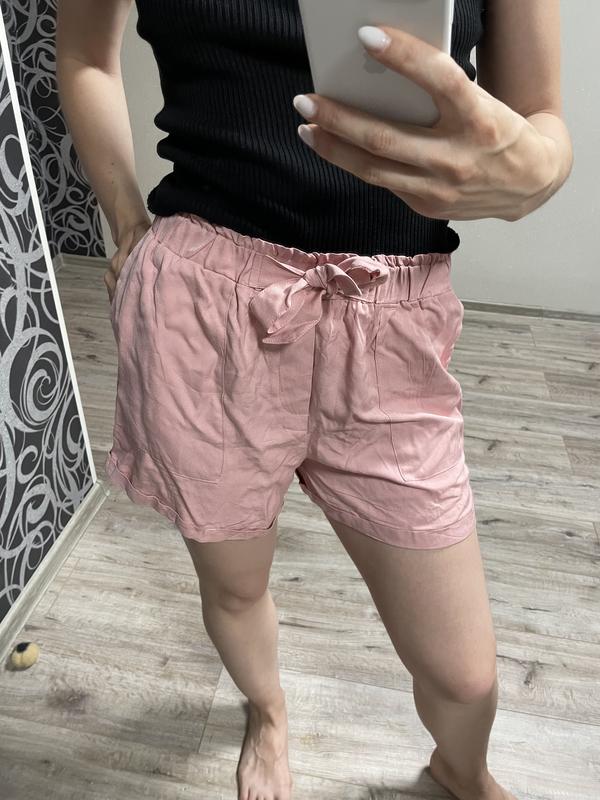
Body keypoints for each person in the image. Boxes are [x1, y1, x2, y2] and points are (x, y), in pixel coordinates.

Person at [56, 2, 573, 799]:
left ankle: (462, 769)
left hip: (392, 319)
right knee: (235, 584)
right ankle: (267, 714)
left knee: (465, 675)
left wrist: (542, 167)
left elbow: (541, 118)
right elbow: (87, 57)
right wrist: (126, 221)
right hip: (204, 308)